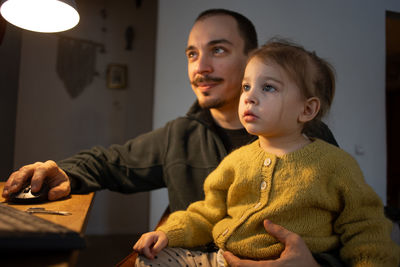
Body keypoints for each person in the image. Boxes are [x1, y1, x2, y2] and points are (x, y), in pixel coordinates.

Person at [3, 9, 339, 266]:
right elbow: (108, 162)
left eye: (218, 50)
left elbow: (351, 226)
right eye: (192, 54)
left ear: (252, 59)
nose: (200, 67)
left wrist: (316, 263)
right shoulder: (179, 134)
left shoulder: (308, 135)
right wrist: (64, 171)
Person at [133, 39, 400, 267]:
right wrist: (168, 233)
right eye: (246, 87)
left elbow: (367, 229)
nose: (249, 97)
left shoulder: (336, 165)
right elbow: (206, 213)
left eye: (268, 87)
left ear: (307, 110)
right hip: (222, 259)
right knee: (150, 259)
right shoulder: (236, 161)